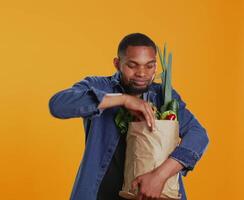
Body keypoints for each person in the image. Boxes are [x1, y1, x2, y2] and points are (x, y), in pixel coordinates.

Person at [48, 33, 209, 200]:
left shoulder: (163, 96)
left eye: (150, 66)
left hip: (154, 195)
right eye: (133, 65)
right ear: (118, 64)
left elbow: (198, 135)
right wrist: (123, 100)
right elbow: (58, 105)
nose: (142, 73)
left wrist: (160, 176)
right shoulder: (98, 85)